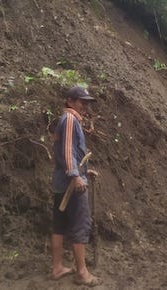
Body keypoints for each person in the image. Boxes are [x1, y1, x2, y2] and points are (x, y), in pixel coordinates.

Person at [50, 86, 99, 285]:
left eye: (87, 102)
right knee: (81, 225)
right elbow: (68, 150)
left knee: (59, 225)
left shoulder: (67, 120)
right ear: (70, 101)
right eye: (81, 101)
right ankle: (82, 272)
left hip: (61, 182)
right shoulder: (70, 119)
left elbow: (65, 154)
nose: (85, 106)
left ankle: (57, 268)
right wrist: (76, 176)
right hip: (71, 185)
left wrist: (84, 171)